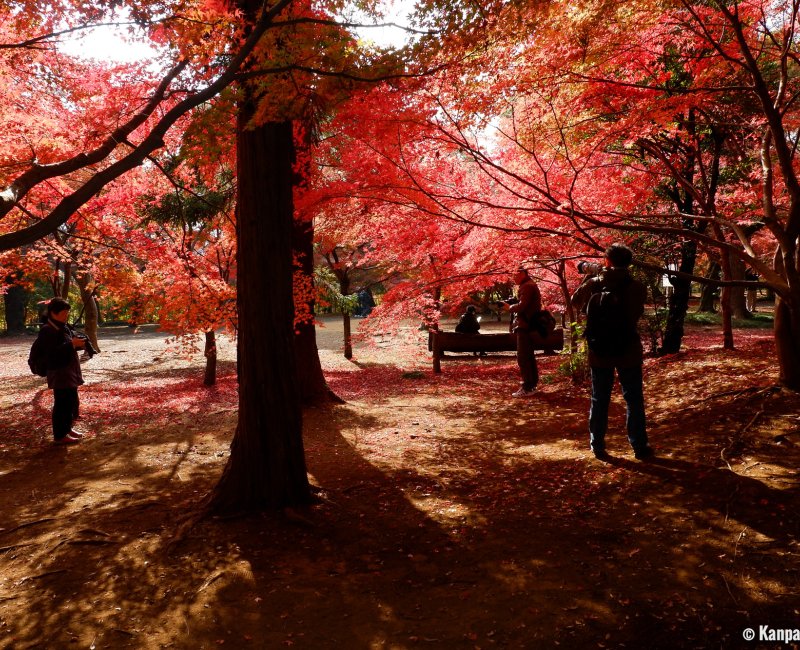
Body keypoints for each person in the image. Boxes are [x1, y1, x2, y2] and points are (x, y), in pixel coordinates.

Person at [571, 244, 654, 460]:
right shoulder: (637, 287)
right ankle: (639, 446)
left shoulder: (593, 284)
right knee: (634, 398)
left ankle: (597, 445)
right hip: (628, 348)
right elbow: (636, 312)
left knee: (600, 398)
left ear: (607, 261)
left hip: (600, 350)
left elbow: (576, 304)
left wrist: (591, 276)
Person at [35, 298, 87, 445]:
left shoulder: (63, 327)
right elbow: (51, 353)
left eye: (67, 313)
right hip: (58, 372)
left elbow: (66, 346)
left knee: (70, 401)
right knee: (62, 403)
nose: (66, 316)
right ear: (53, 313)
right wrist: (71, 344)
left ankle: (67, 428)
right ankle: (59, 434)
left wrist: (77, 344)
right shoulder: (47, 330)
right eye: (63, 313)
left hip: (69, 370)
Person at [504, 267, 542, 397]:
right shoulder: (530, 285)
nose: (513, 278)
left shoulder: (527, 286)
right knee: (528, 356)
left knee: (523, 357)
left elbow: (522, 306)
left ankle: (527, 386)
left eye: (515, 275)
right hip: (528, 325)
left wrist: (509, 307)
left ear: (522, 273)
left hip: (525, 326)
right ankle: (532, 385)